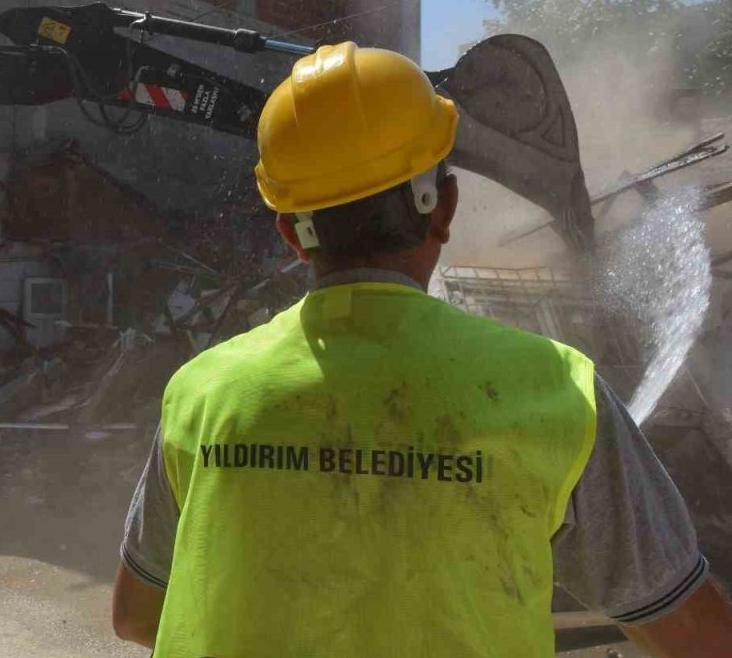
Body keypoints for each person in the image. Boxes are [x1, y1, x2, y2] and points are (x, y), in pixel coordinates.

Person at [111, 42, 732, 657]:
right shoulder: (558, 390)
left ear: (290, 235)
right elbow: (695, 635)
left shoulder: (200, 391)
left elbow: (137, 617)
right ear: (446, 209)